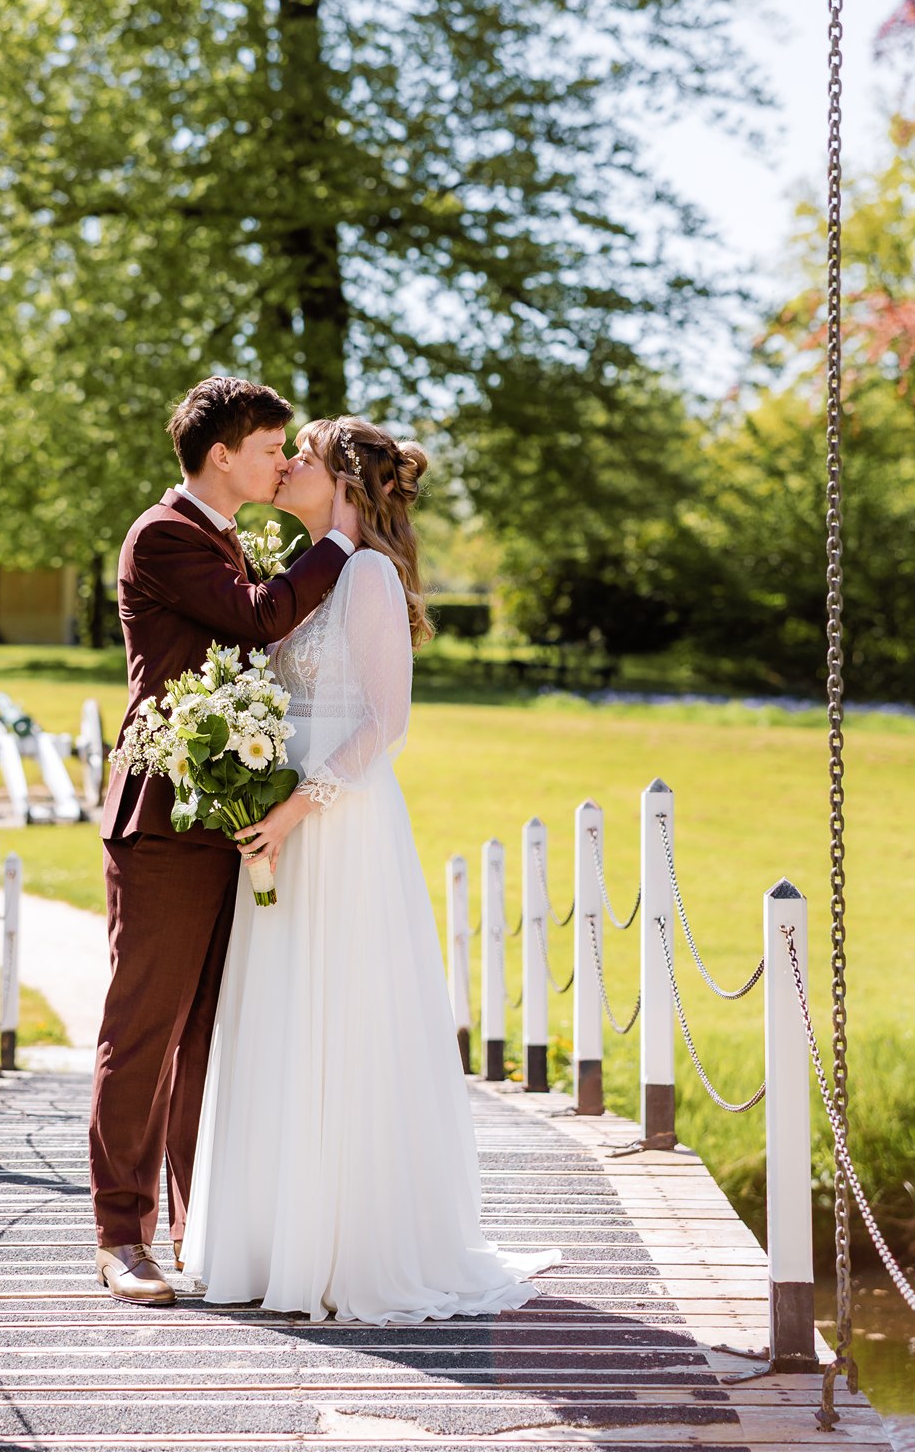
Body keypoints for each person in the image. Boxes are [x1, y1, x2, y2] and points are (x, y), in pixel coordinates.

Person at [181, 416, 559, 1323]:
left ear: (345, 480)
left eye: (301, 456)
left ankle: (349, 1247)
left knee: (337, 1018)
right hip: (282, 825)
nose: (286, 466)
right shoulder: (300, 574)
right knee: (279, 1015)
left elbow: (384, 723)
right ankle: (274, 1240)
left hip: (336, 826)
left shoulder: (367, 575)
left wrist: (289, 809)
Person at [89, 377, 359, 1306]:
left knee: (208, 1034)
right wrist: (338, 543)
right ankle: (120, 1236)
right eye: (271, 447)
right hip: (161, 818)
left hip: (225, 815)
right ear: (222, 456)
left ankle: (196, 1225)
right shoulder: (163, 534)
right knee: (144, 1030)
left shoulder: (225, 535)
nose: (284, 461)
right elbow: (254, 619)